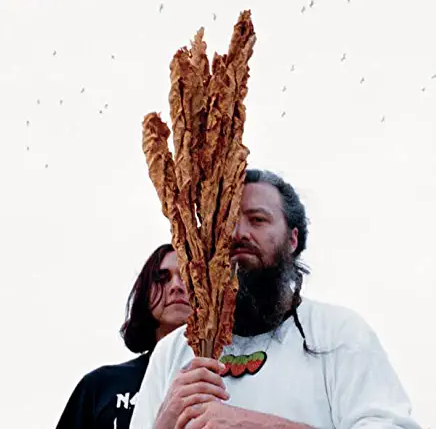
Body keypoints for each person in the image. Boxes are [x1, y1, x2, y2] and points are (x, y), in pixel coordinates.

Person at [130, 169, 421, 429]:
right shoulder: (172, 352)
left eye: (257, 220)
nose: (238, 233)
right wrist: (164, 422)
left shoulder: (338, 333)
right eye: (226, 221)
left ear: (292, 239)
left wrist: (254, 424)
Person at [56, 243, 191, 429]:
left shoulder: (226, 380)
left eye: (187, 275)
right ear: (145, 293)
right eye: (162, 278)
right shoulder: (101, 386)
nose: (176, 286)